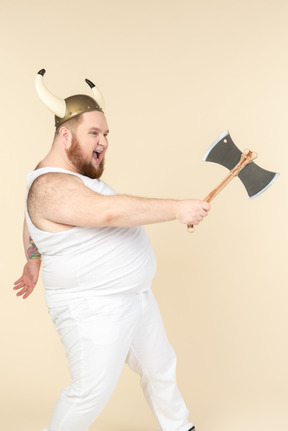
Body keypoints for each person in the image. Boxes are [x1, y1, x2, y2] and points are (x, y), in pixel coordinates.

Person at [14, 69, 210, 431]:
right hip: (94, 306)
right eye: (94, 132)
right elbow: (109, 212)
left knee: (160, 367)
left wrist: (33, 260)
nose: (103, 141)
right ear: (65, 134)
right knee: (90, 392)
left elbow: (29, 222)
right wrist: (177, 209)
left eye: (105, 134)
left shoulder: (62, 181)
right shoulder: (52, 185)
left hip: (133, 297)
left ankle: (180, 427)